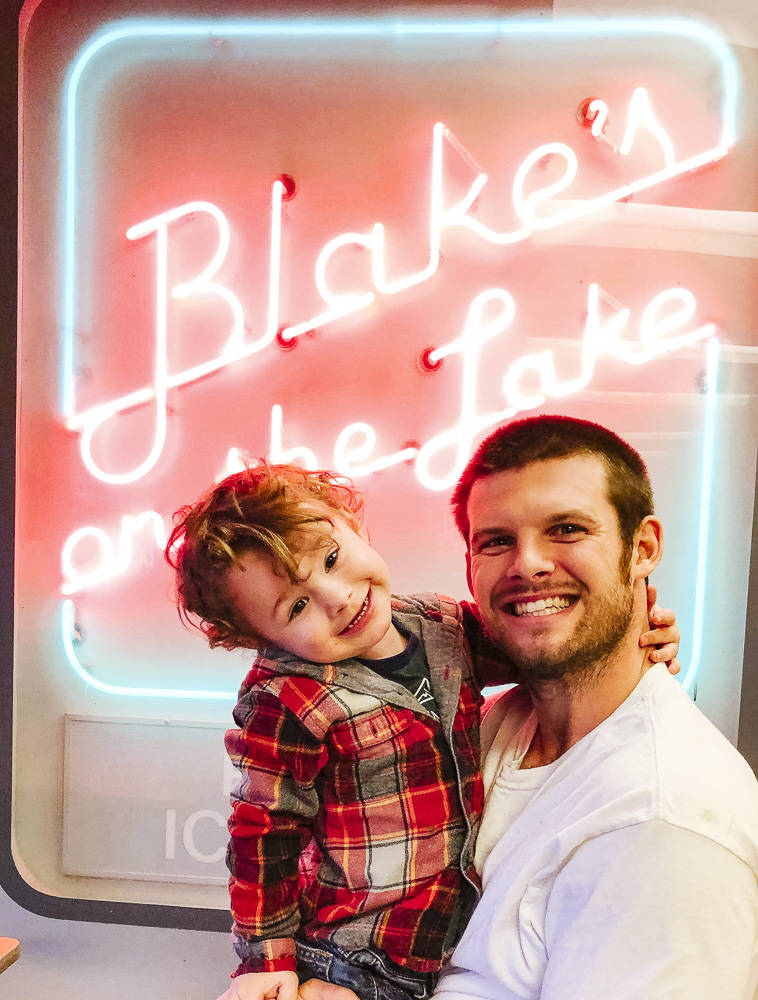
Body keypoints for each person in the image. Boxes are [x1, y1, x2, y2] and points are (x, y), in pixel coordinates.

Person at [166, 460, 679, 1000]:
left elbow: (541, 645)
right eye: (296, 607)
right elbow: (262, 835)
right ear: (258, 638)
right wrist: (264, 960)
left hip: (460, 933)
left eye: (333, 559)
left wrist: (641, 632)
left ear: (353, 524)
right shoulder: (285, 701)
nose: (335, 597)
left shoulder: (442, 624)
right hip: (355, 948)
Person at [429, 415, 758, 999]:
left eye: (567, 529)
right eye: (496, 540)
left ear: (643, 548)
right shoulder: (489, 728)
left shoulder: (661, 822)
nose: (526, 564)